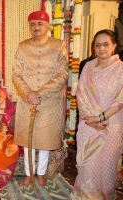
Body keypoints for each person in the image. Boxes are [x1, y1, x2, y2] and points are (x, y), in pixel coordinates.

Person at [12, 10, 69, 187]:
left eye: (40, 24)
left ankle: (41, 174)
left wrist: (40, 92)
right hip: (27, 100)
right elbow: (16, 74)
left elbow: (62, 74)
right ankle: (29, 174)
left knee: (44, 141)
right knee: (29, 140)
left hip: (49, 101)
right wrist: (28, 93)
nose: (36, 27)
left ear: (47, 26)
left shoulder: (59, 46)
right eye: (33, 24)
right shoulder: (22, 47)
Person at [71, 29, 123, 199]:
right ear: (93, 48)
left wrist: (101, 118)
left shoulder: (120, 69)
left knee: (107, 163)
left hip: (111, 125)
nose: (101, 48)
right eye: (98, 45)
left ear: (114, 46)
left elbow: (120, 100)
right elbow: (81, 93)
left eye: (106, 44)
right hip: (89, 124)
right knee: (89, 164)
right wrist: (91, 120)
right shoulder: (88, 66)